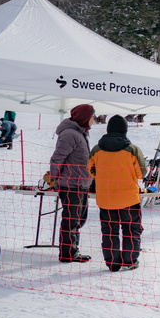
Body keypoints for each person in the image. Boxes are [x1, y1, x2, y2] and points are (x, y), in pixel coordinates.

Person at [87, 115, 147, 271]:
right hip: (129, 198)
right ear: (124, 130)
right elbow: (142, 172)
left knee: (109, 231)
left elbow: (90, 170)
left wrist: (100, 175)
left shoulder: (97, 149)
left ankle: (113, 263)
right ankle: (130, 261)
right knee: (131, 229)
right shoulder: (132, 149)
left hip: (105, 199)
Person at [49, 104, 96, 262]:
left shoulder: (80, 133)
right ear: (84, 117)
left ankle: (71, 249)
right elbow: (57, 158)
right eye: (92, 117)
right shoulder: (70, 134)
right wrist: (54, 179)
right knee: (72, 219)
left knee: (78, 219)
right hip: (71, 184)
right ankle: (68, 252)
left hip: (81, 183)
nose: (94, 120)